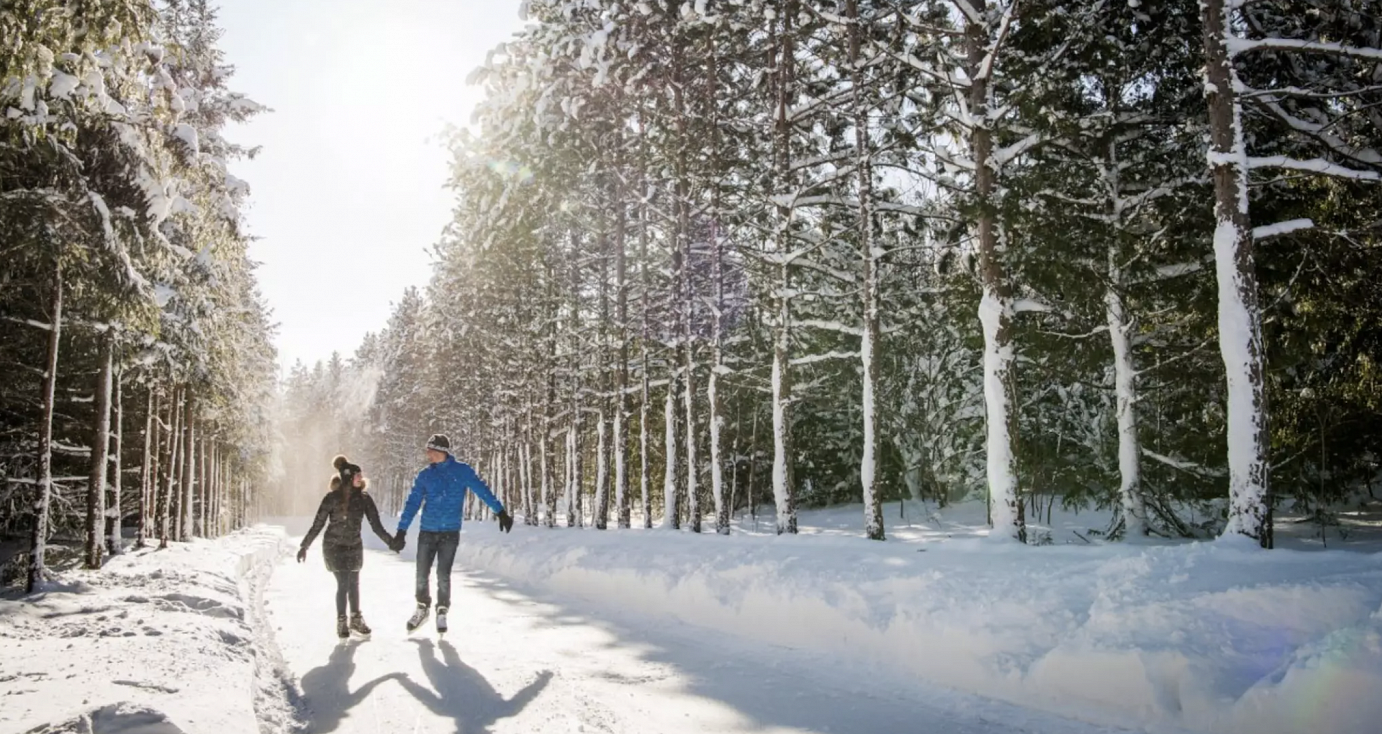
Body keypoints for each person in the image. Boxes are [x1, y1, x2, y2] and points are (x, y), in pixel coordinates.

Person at [391, 433, 513, 634]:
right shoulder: (425, 475)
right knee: (421, 573)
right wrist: (401, 530)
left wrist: (500, 511)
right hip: (427, 531)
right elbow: (412, 503)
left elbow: (481, 490)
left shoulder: (462, 471)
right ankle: (422, 608)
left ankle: (442, 610)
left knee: (443, 574)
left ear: (440, 451)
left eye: (430, 450)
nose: (427, 454)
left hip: (450, 532)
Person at [298, 455, 397, 639]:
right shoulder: (331, 498)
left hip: (354, 545)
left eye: (361, 475)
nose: (361, 478)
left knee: (354, 583)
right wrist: (305, 545)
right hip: (333, 546)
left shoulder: (364, 499)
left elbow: (376, 525)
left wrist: (392, 542)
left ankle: (356, 619)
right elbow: (318, 524)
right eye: (357, 475)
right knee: (343, 582)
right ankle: (342, 621)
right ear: (348, 477)